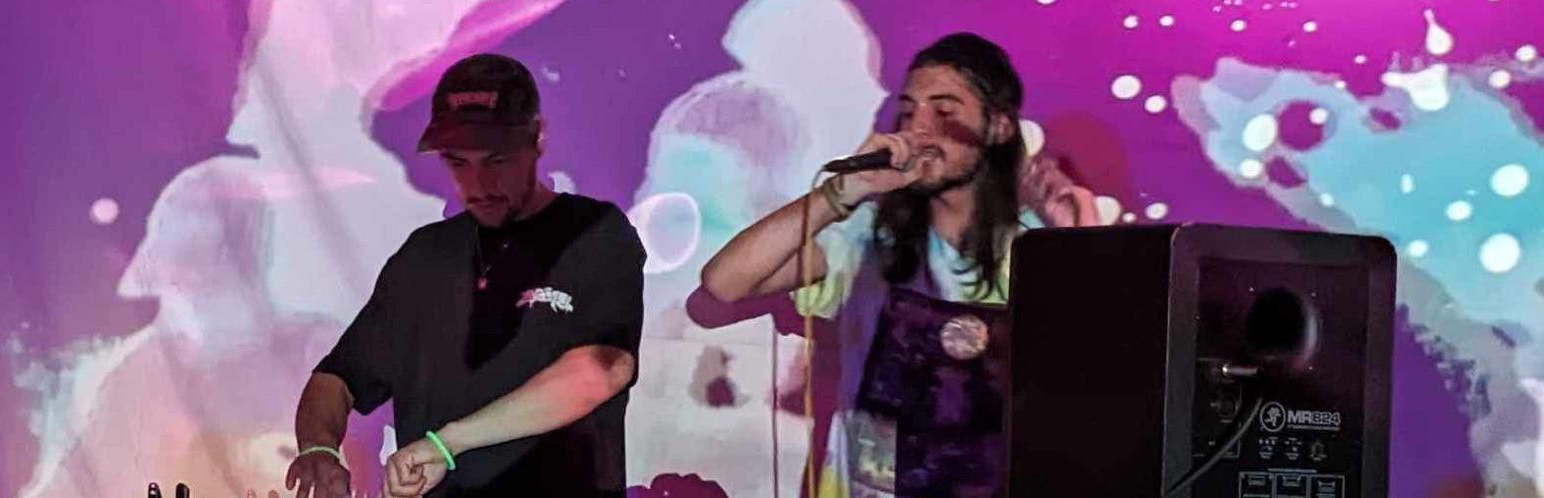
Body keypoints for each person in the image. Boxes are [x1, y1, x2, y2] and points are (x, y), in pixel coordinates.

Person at [700, 33, 1098, 498]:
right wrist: (843, 192)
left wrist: (1082, 247)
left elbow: (1094, 382)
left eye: (944, 112)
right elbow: (725, 282)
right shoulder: (868, 236)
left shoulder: (1036, 248)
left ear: (998, 128)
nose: (919, 129)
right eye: (909, 112)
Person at [283, 53, 646, 498]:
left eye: (496, 160)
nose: (478, 183)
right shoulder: (424, 255)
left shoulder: (594, 232)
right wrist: (319, 450)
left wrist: (448, 443)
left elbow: (604, 369)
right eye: (458, 163)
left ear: (537, 137)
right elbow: (336, 378)